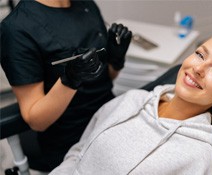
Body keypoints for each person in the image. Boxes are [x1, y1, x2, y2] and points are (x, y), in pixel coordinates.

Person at [49, 30, 212, 175]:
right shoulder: (132, 100)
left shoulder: (199, 158)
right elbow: (79, 153)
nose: (198, 69)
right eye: (200, 54)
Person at [0, 0, 132, 172]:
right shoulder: (17, 28)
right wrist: (70, 80)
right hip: (72, 138)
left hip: (111, 116)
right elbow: (37, 121)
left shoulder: (86, 5)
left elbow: (105, 79)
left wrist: (116, 59)